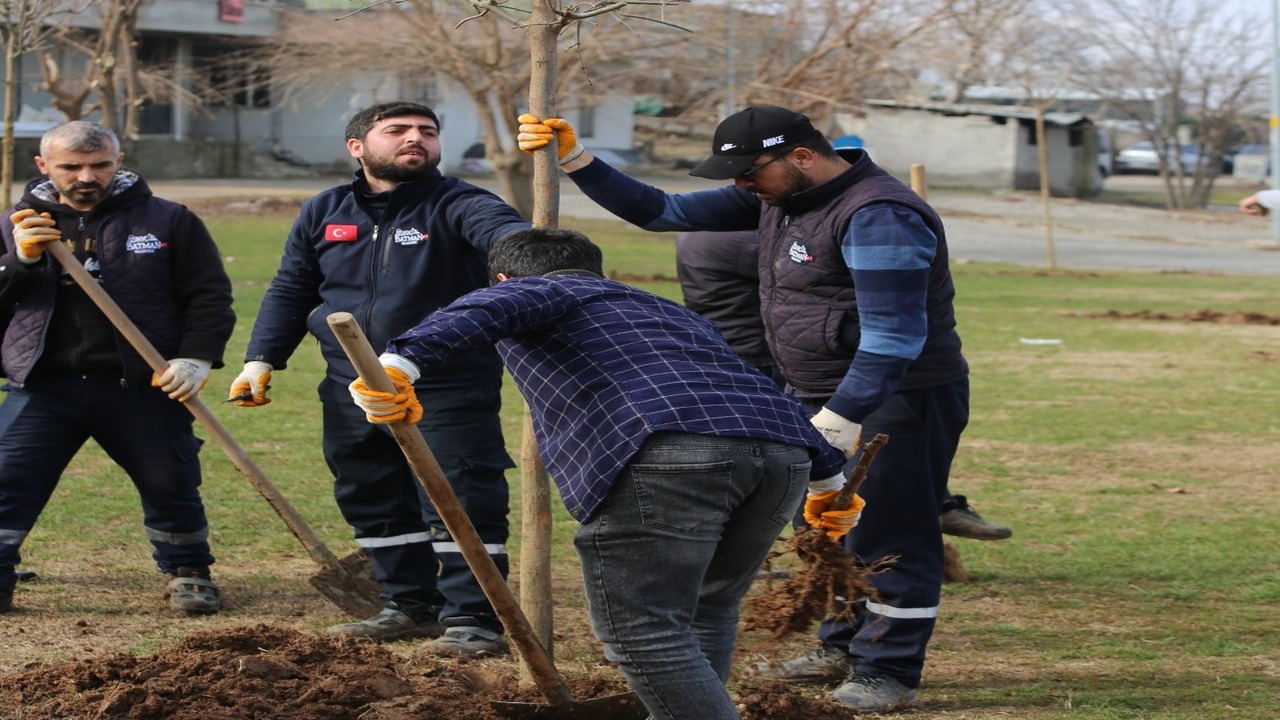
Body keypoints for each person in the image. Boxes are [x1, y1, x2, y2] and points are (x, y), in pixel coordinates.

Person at [516, 105, 978, 712]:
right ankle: (843, 645)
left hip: (893, 399)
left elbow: (893, 339)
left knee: (890, 531)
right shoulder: (781, 197)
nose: (740, 185)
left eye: (749, 172)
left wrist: (841, 418)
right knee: (823, 527)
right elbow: (663, 211)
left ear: (802, 156)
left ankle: (888, 669)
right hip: (811, 388)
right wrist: (578, 160)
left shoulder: (878, 215)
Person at [348, 227, 862, 720]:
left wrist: (400, 364)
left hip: (667, 453)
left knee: (643, 631)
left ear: (504, 280)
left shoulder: (540, 291)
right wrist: (827, 482)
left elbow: (489, 307)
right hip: (781, 456)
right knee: (707, 607)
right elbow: (749, 385)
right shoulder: (669, 312)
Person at [228, 101, 528, 655]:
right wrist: (260, 359)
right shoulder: (324, 210)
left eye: (427, 132)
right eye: (398, 131)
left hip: (445, 382)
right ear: (358, 147)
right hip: (351, 386)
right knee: (371, 494)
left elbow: (502, 233)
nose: (416, 139)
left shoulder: (460, 203)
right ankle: (409, 604)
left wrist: (525, 253)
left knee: (461, 495)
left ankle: (474, 619)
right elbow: (292, 289)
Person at [0, 121, 235, 615]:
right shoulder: (13, 223)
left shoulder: (169, 220)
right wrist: (20, 260)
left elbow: (208, 296)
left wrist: (194, 357)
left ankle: (188, 570)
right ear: (43, 166)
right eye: (71, 166)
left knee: (169, 478)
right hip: (45, 386)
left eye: (99, 164)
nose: (87, 176)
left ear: (119, 160)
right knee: (7, 478)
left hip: (142, 384)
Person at [675, 229, 1009, 541]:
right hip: (769, 364)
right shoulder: (735, 239)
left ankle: (930, 508)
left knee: (823, 457)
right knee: (816, 459)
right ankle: (836, 545)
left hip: (769, 356)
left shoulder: (706, 232)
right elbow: (825, 266)